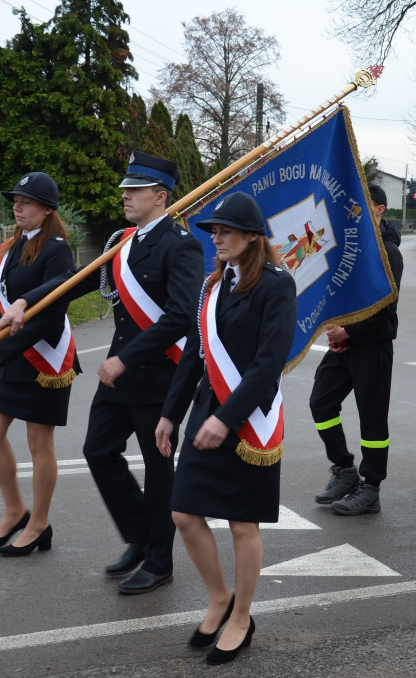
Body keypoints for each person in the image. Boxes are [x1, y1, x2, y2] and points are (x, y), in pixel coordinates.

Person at [0, 152, 203, 591]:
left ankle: (159, 561)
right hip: (120, 374)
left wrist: (126, 358)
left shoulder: (181, 245)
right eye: (125, 188)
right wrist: (25, 302)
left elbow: (180, 316)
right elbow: (75, 280)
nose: (125, 195)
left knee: (158, 468)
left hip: (157, 375)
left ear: (160, 196)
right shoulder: (122, 242)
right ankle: (139, 536)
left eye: (135, 190)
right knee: (98, 450)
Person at [155, 192, 296, 665]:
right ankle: (219, 597)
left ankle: (242, 616)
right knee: (184, 513)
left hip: (247, 419)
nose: (216, 238)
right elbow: (195, 355)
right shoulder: (212, 285)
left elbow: (268, 362)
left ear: (253, 238)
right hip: (205, 413)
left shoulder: (277, 285)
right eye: (213, 231)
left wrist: (226, 419)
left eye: (226, 231)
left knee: (242, 523)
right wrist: (169, 414)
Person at [0, 171, 80, 556]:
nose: (17, 206)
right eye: (15, 199)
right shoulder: (15, 246)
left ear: (47, 210)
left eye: (26, 201)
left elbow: (49, 316)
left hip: (46, 359)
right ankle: (15, 509)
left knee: (39, 444)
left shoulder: (58, 250)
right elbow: (12, 305)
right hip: (17, 354)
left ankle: (39, 523)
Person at [309, 183, 404, 516]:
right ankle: (344, 468)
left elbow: (384, 312)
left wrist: (347, 331)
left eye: (364, 204)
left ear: (379, 209)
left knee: (372, 421)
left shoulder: (388, 253)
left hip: (372, 347)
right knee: (320, 403)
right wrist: (333, 328)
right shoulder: (353, 245)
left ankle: (371, 488)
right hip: (344, 346)